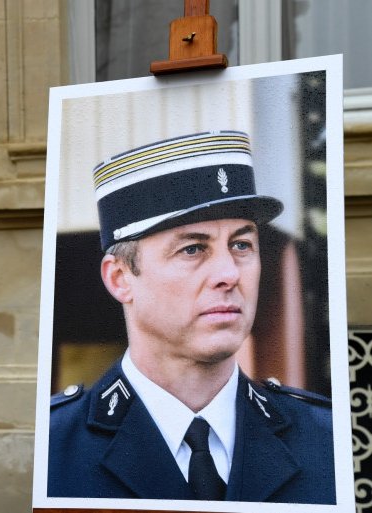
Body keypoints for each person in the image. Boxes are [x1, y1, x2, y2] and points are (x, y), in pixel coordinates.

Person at [47, 131, 335, 503]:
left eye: (242, 244)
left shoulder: (325, 439)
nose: (229, 274)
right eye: (193, 248)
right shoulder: (54, 447)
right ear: (120, 279)